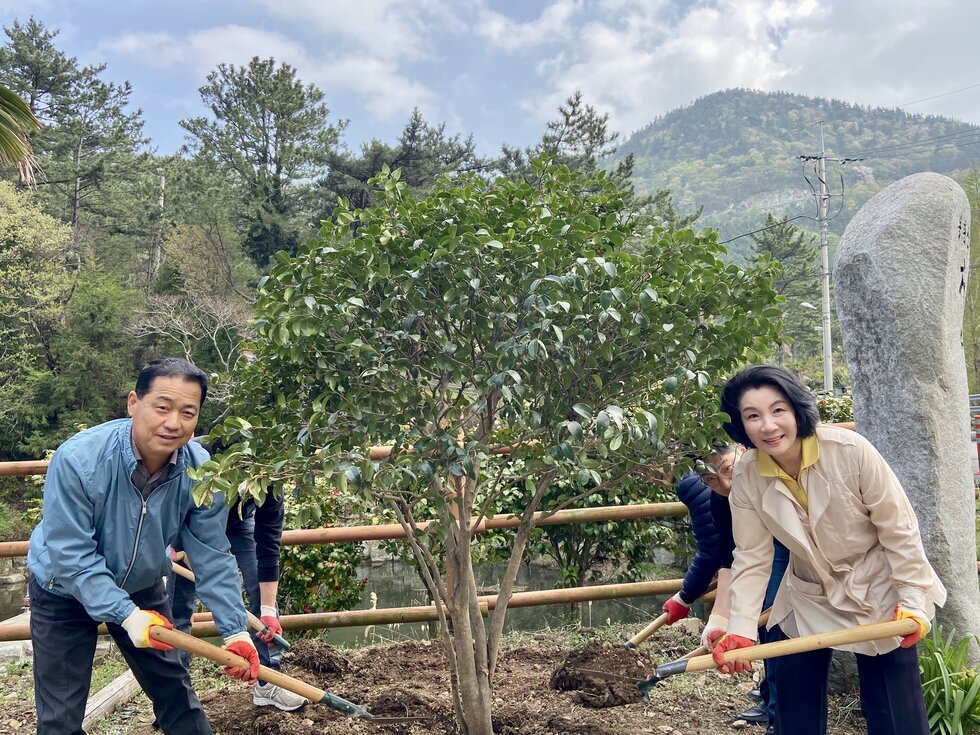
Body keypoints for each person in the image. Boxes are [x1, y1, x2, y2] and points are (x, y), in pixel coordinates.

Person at [27, 358, 260, 735]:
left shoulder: (201, 472)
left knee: (176, 694)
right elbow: (71, 555)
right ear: (134, 403)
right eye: (162, 407)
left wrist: (234, 630)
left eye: (188, 412)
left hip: (141, 585)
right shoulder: (79, 459)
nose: (174, 423)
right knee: (59, 718)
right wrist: (126, 615)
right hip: (63, 589)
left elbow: (212, 553)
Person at [710, 365, 946, 735]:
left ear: (797, 410)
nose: (768, 426)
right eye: (752, 415)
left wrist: (913, 599)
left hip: (879, 589)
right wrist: (740, 628)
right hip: (807, 594)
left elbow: (898, 529)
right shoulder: (747, 476)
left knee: (898, 717)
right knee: (793, 708)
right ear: (741, 425)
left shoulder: (850, 451)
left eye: (778, 410)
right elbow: (752, 555)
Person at [169, 438, 306, 711]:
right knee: (178, 607)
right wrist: (166, 540)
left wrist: (267, 609)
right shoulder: (200, 456)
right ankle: (173, 697)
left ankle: (269, 682)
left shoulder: (271, 474)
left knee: (259, 586)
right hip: (188, 522)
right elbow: (166, 501)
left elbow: (267, 545)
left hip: (239, 522)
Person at [701, 443, 787, 734]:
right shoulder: (718, 501)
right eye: (710, 479)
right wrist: (721, 616)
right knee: (760, 619)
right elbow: (730, 554)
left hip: (788, 545)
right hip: (756, 554)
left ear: (740, 449)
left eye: (726, 469)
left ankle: (779, 714)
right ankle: (770, 697)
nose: (724, 483)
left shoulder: (768, 469)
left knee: (777, 623)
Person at [659, 467, 722, 627]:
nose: (652, 480)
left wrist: (684, 597)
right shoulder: (693, 472)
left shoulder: (690, 484)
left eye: (652, 472)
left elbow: (711, 549)